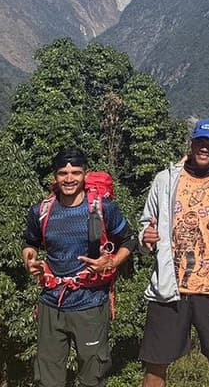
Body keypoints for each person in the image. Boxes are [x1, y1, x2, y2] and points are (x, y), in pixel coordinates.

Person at [138, 117, 209, 387]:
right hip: (170, 289)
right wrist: (146, 237)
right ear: (191, 144)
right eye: (200, 141)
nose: (204, 148)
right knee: (156, 364)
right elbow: (146, 226)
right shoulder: (165, 180)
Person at [22, 147, 136, 387]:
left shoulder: (103, 208)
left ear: (85, 174)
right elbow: (30, 242)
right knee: (47, 378)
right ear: (55, 176)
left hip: (91, 302)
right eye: (63, 173)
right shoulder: (41, 211)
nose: (69, 178)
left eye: (75, 172)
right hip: (51, 302)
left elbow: (129, 239)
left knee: (92, 376)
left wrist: (112, 261)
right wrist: (29, 258)